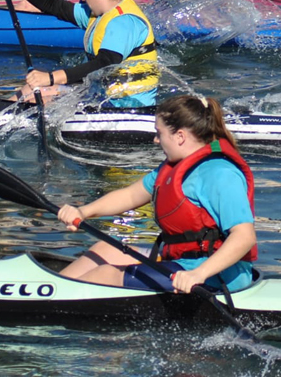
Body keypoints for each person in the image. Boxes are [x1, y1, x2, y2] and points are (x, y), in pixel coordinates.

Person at [55, 94, 257, 294]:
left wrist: (198, 274)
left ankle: (52, 307)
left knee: (107, 274)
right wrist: (83, 212)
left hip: (217, 277)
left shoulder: (220, 173)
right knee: (104, 250)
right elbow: (130, 196)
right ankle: (48, 293)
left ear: (180, 137)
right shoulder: (171, 168)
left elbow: (244, 237)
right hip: (184, 264)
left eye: (159, 133)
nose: (155, 139)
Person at [0, 0, 159, 107]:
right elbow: (53, 5)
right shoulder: (98, 14)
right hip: (102, 96)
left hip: (128, 105)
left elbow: (104, 64)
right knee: (31, 89)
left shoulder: (124, 22)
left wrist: (50, 77)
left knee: (41, 101)